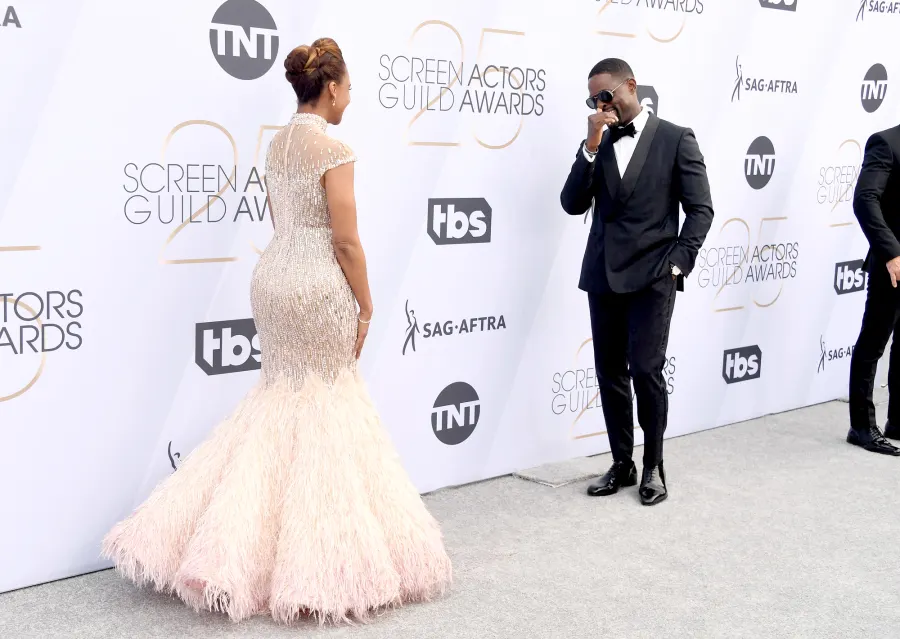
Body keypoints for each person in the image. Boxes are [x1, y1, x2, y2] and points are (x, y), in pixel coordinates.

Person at [102, 38, 452, 624]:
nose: (351, 97)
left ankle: (243, 551)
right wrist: (366, 305)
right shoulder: (334, 146)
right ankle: (321, 564)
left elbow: (282, 219)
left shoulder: (277, 143)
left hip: (275, 276)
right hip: (318, 283)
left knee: (281, 398)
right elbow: (345, 241)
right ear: (334, 87)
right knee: (328, 404)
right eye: (350, 86)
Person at [560, 58, 714, 506]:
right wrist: (591, 144)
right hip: (603, 274)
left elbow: (701, 209)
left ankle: (653, 465)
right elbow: (572, 203)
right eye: (593, 100)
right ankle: (622, 463)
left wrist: (678, 263)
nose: (601, 104)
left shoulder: (675, 138)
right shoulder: (598, 141)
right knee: (609, 372)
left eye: (606, 95)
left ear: (631, 86)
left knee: (645, 370)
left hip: (653, 275)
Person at [847, 124, 900, 455]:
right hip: (892, 264)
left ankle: (897, 421)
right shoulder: (886, 142)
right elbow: (865, 199)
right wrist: (891, 251)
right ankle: (862, 426)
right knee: (873, 343)